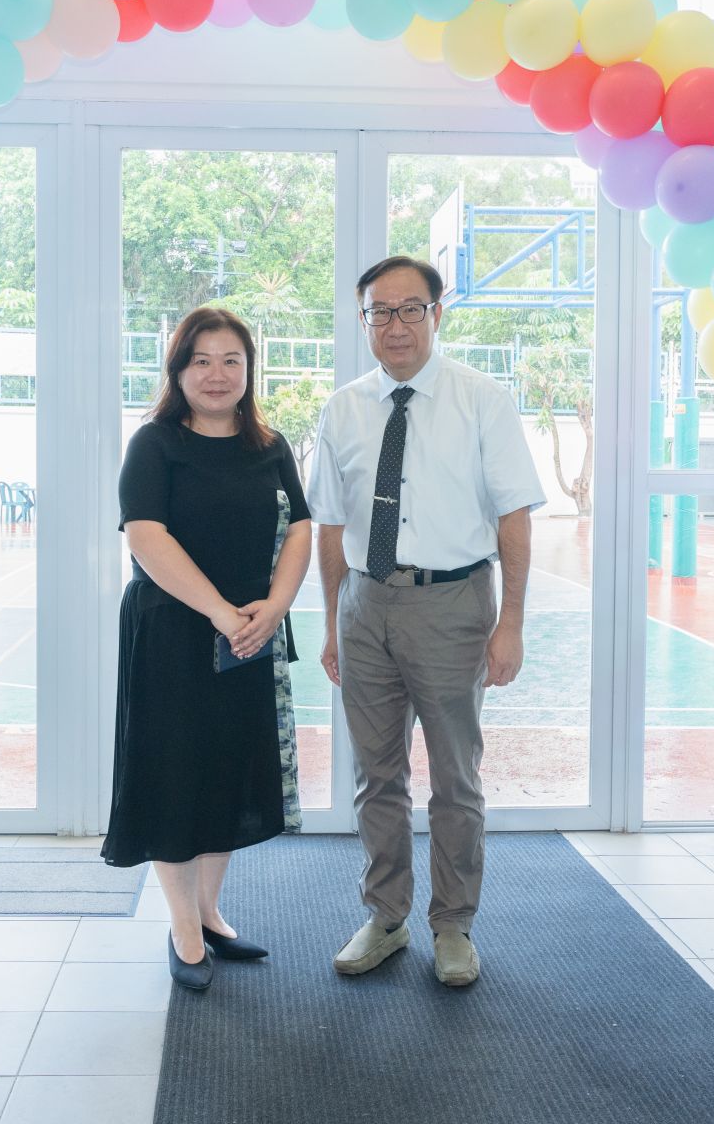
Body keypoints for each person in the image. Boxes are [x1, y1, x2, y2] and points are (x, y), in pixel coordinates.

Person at [307, 256, 544, 988]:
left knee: (454, 779)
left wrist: (511, 623)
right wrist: (332, 622)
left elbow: (513, 516)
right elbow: (330, 525)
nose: (396, 325)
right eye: (380, 311)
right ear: (363, 321)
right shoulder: (343, 409)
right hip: (364, 605)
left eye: (411, 309)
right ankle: (385, 916)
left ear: (437, 315)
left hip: (453, 606)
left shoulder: (482, 400)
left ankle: (453, 926)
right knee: (375, 776)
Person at [102, 306, 314, 992]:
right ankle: (184, 931)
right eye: (201, 360)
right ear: (178, 370)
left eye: (231, 361)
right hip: (173, 633)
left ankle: (211, 913)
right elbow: (147, 537)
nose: (216, 374)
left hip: (249, 634)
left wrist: (274, 607)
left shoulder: (270, 445)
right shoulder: (154, 443)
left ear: (249, 371)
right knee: (174, 776)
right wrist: (222, 612)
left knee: (228, 772)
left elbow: (301, 528)